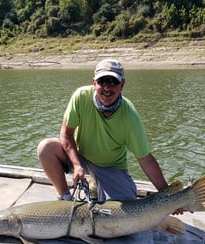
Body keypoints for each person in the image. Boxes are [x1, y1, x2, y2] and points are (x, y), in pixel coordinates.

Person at [37, 58, 169, 203]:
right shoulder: (80, 97)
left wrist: (168, 195)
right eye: (102, 82)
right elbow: (66, 135)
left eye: (113, 82)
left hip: (111, 167)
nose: (107, 88)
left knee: (124, 204)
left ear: (122, 84)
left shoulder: (130, 116)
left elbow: (146, 160)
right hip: (81, 157)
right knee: (46, 148)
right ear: (94, 83)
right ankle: (65, 197)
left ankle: (97, 183)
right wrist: (76, 165)